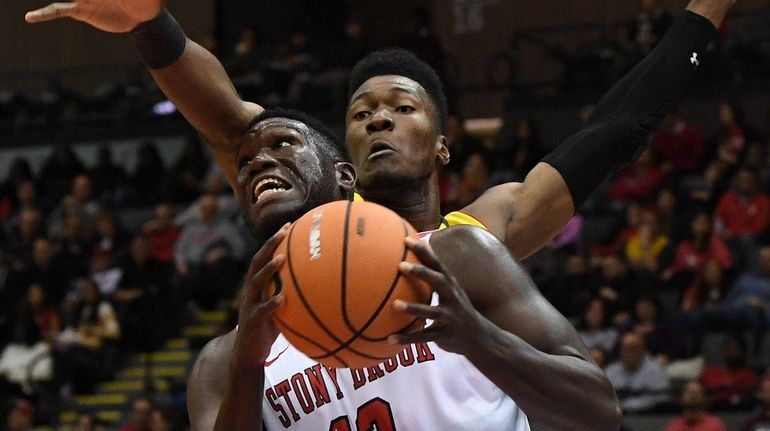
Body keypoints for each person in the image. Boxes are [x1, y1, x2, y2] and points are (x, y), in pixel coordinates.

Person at [25, 0, 733, 261]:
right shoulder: (322, 212)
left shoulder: (480, 231)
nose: (377, 118)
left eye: (401, 106)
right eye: (361, 113)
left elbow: (614, 127)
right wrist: (153, 26)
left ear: (443, 142)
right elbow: (230, 119)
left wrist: (706, 11)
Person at [193, 109, 619, 430]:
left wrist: (480, 339)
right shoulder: (225, 360)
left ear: (345, 177)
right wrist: (248, 369)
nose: (257, 163)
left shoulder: (454, 257)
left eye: (283, 143)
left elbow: (598, 411)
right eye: (244, 161)